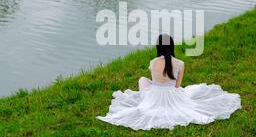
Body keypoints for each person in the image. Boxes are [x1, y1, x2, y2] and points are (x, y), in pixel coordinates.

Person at [96, 34, 241, 130]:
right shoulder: (180, 63)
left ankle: (145, 97)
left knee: (142, 80)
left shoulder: (153, 62)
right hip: (172, 93)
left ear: (158, 47)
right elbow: (177, 86)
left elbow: (154, 81)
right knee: (185, 96)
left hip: (155, 96)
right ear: (172, 46)